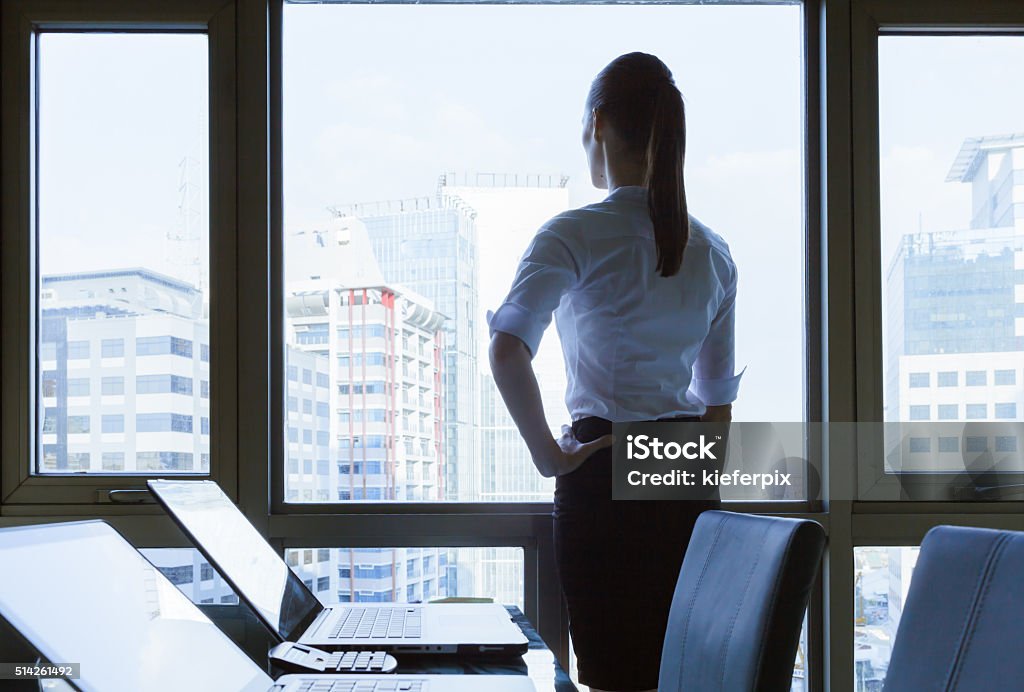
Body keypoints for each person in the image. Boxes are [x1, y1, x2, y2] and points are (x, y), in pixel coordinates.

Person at [487, 52, 743, 692]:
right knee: (681, 670)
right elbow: (716, 402)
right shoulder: (712, 252)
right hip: (686, 479)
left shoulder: (574, 234)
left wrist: (549, 455)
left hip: (603, 468)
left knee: (612, 675)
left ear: (597, 123)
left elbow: (507, 347)